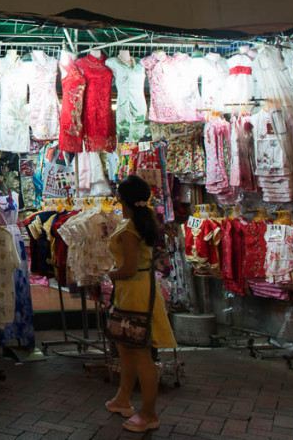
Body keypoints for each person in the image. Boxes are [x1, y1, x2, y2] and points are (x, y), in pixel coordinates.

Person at [104, 175, 176, 432]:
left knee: (141, 352)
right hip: (132, 291)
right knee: (126, 347)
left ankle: (149, 414)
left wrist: (111, 274)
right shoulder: (134, 224)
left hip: (136, 292)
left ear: (122, 198)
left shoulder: (130, 229)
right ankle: (124, 398)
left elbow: (129, 268)